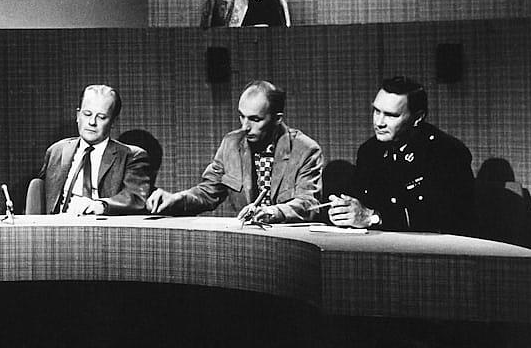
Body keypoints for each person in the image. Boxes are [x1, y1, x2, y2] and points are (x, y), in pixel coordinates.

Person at [146, 81, 322, 223]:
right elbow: (208, 192)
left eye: (254, 119)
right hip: (248, 239)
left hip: (292, 243)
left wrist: (272, 212)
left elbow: (308, 203)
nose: (245, 127)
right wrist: (176, 199)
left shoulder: (305, 150)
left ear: (277, 119)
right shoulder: (231, 144)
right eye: (241, 116)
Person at [329, 76, 475, 234]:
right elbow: (362, 203)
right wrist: (344, 211)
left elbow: (445, 219)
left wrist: (374, 217)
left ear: (417, 117)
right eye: (376, 111)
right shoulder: (370, 151)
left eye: (391, 115)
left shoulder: (446, 152)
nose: (379, 122)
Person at [36, 84, 152, 215]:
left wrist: (103, 206)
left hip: (102, 230)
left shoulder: (132, 156)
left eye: (101, 117)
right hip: (57, 229)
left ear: (113, 121)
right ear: (78, 115)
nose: (92, 122)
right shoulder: (56, 151)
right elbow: (38, 193)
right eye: (87, 114)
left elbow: (136, 197)